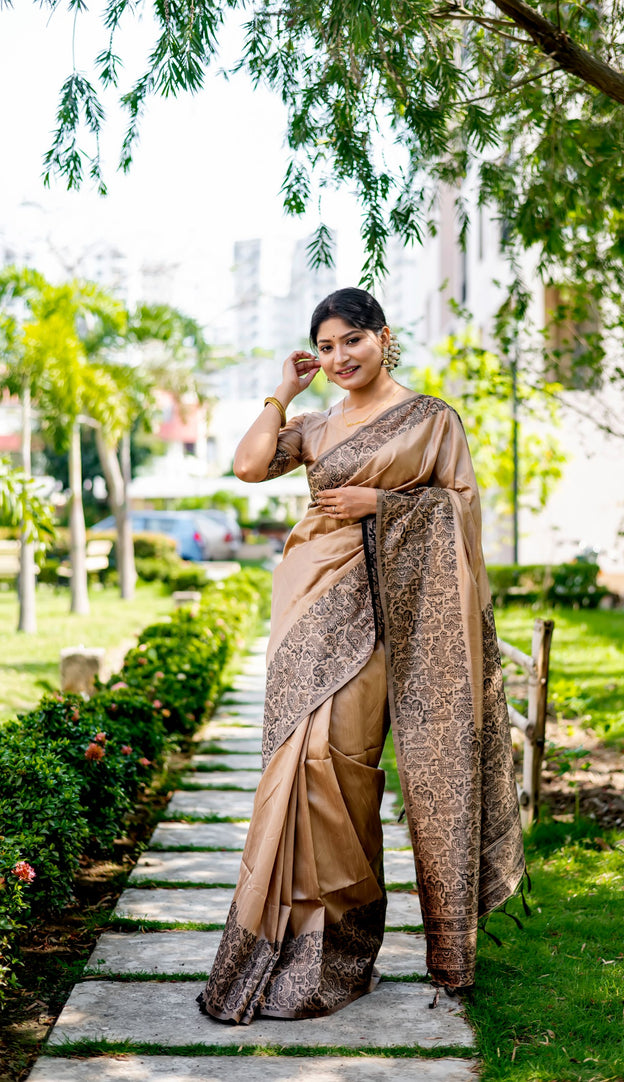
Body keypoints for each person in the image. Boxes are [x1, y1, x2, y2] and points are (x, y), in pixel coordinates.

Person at [196, 287, 525, 1025]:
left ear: (385, 337)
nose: (341, 357)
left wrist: (386, 507)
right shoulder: (314, 426)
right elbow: (248, 466)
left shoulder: (432, 420)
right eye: (328, 344)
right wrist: (285, 388)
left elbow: (461, 508)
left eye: (353, 340)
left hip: (386, 613)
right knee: (293, 765)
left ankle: (342, 952)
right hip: (308, 607)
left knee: (338, 768)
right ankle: (286, 948)